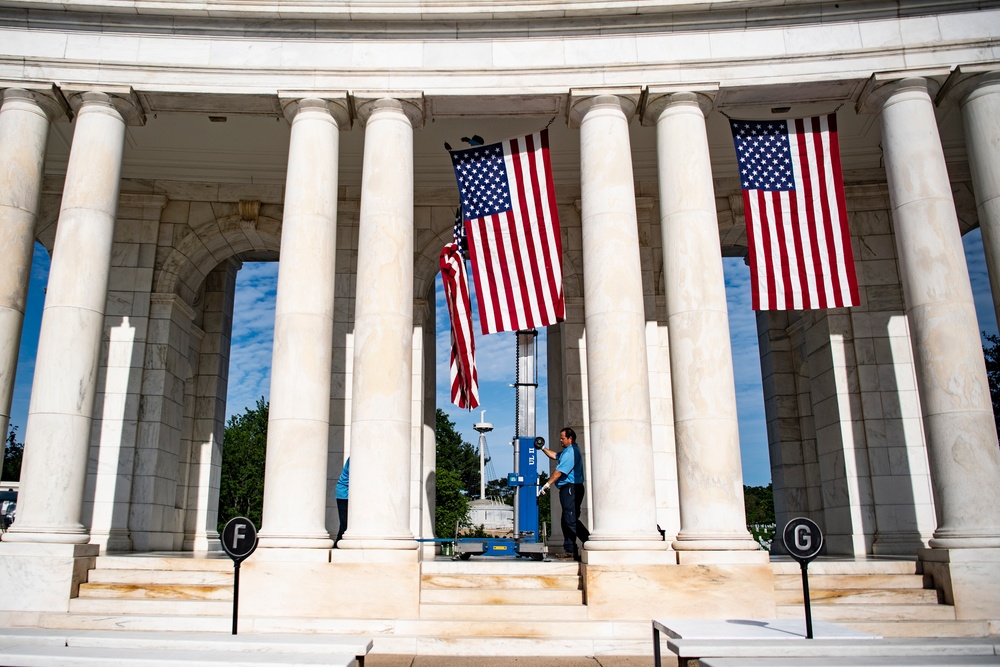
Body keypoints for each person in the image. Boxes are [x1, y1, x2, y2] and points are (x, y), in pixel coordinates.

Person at [537, 427, 590, 561]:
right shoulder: (567, 452)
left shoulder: (571, 452)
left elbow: (559, 471)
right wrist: (542, 447)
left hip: (571, 488)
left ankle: (586, 542)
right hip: (569, 489)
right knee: (566, 519)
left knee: (570, 519)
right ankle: (570, 549)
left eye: (562, 438)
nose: (560, 440)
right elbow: (555, 455)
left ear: (570, 439)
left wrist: (547, 484)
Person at [335, 457, 349, 547]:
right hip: (344, 494)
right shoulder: (356, 459)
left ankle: (337, 545)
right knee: (345, 524)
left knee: (345, 524)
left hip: (346, 493)